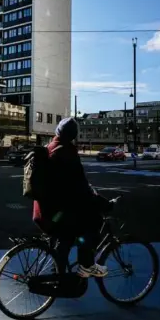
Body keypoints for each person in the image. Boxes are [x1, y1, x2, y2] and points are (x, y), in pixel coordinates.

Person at [33, 117, 111, 278]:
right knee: (94, 222)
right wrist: (103, 203)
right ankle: (86, 265)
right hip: (56, 214)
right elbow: (81, 188)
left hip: (43, 211)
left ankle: (58, 275)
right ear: (73, 135)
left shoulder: (50, 148)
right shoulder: (67, 152)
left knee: (66, 236)